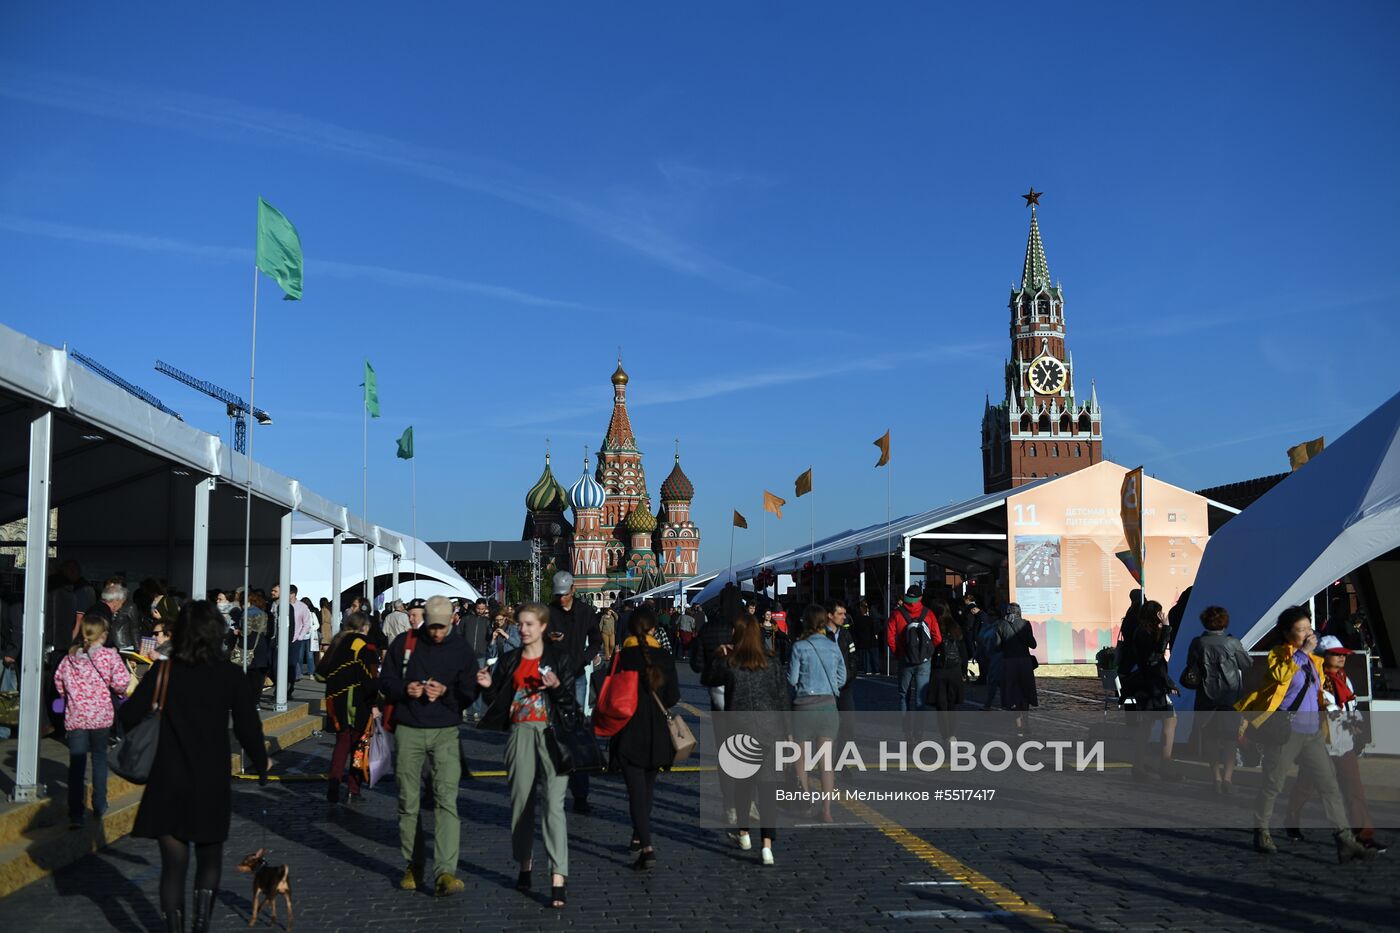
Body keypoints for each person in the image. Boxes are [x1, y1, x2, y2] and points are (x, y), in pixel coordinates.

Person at [119, 601, 268, 932]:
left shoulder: (163, 671)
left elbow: (128, 716)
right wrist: (260, 766)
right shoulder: (229, 675)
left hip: (166, 780)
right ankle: (200, 926)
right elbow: (247, 727)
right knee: (209, 860)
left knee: (173, 866)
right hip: (209, 782)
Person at [1236, 605, 1373, 861]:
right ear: (1288, 634)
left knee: (1329, 786)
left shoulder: (1315, 661)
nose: (1307, 634)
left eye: (1309, 628)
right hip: (1286, 730)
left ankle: (1344, 838)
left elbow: (1318, 693)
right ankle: (1262, 830)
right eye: (1301, 630)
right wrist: (1302, 653)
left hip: (1313, 733)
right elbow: (1280, 675)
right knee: (1273, 783)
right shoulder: (1280, 655)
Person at [477, 602, 579, 909]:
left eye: (529, 624)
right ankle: (524, 863)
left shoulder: (559, 660)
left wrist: (558, 688)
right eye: (520, 624)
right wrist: (487, 687)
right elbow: (497, 698)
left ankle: (558, 877)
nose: (522, 629)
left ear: (543, 627)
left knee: (554, 806)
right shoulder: (509, 660)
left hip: (551, 735)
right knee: (521, 803)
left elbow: (571, 707)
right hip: (520, 734)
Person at [378, 595, 480, 895]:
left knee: (446, 800)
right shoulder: (405, 644)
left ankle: (446, 871)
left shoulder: (460, 649)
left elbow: (470, 691)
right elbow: (385, 681)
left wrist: (446, 693)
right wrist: (405, 688)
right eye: (432, 627)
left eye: (442, 627)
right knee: (408, 801)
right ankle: (414, 865)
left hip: (446, 730)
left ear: (451, 621)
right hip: (409, 729)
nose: (436, 633)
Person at [1283, 635, 1387, 852]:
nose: (1341, 659)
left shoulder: (1343, 678)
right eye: (1336, 655)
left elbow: (1350, 705)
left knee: (1354, 788)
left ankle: (1363, 835)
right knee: (1306, 786)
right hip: (1318, 742)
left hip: (1343, 742)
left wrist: (1355, 723)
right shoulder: (1314, 679)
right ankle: (1291, 820)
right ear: (1323, 656)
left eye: (1343, 655)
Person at [608, 605, 680, 869]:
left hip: (628, 728)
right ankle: (639, 835)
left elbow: (608, 692)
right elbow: (673, 697)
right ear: (653, 629)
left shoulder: (622, 656)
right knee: (647, 788)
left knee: (636, 790)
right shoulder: (664, 657)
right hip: (658, 730)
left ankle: (646, 846)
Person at [722, 613, 790, 865]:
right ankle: (767, 847)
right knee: (767, 789)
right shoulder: (772, 663)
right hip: (770, 732)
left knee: (743, 786)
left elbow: (728, 700)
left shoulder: (732, 665)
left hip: (741, 732)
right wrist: (788, 731)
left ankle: (743, 833)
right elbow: (783, 699)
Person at [54, 614, 130, 829]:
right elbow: (121, 683)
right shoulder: (109, 656)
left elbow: (59, 681)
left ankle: (76, 813)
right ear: (103, 634)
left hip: (76, 716)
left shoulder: (70, 657)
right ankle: (99, 804)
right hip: (101, 717)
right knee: (98, 759)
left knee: (76, 764)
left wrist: (65, 698)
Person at [547, 572, 602, 813]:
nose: (561, 599)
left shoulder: (585, 611)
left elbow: (596, 639)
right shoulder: (548, 612)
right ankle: (554, 788)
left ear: (573, 590)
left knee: (576, 732)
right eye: (558, 595)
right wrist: (549, 640)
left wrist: (586, 658)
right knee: (556, 731)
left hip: (577, 675)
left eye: (565, 595)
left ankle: (581, 796)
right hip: (555, 678)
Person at [788, 605, 846, 822]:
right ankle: (827, 810)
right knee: (826, 762)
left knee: (801, 760)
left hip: (804, 706)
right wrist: (832, 688)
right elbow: (842, 675)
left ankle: (805, 800)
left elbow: (792, 680)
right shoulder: (833, 646)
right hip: (828, 706)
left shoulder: (799, 647)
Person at [1184, 605, 1251, 793]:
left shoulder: (1198, 643)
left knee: (1210, 739)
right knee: (1230, 738)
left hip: (1206, 696)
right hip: (1229, 695)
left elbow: (1191, 665)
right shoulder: (1232, 643)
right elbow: (1246, 664)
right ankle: (1228, 778)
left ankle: (1216, 777)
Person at [323, 612, 380, 804]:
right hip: (358, 700)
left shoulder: (337, 642)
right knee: (359, 746)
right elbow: (371, 678)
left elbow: (319, 675)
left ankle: (333, 783)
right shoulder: (367, 645)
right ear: (365, 626)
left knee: (341, 743)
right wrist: (375, 703)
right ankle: (353, 789)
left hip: (336, 701)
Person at [1122, 601, 1180, 780]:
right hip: (1152, 686)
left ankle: (1141, 766)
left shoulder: (1142, 631)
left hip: (1151, 684)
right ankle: (1163, 765)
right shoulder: (1145, 633)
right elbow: (1156, 656)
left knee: (1150, 725)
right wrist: (1167, 628)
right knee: (1164, 723)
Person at [886, 586, 940, 738]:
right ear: (920, 598)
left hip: (905, 659)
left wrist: (898, 652)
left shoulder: (897, 613)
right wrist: (928, 653)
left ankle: (907, 731)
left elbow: (889, 637)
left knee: (904, 695)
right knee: (920, 697)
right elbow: (938, 638)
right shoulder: (928, 614)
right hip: (923, 661)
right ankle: (919, 732)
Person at [924, 600, 965, 742]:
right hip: (954, 670)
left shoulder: (933, 627)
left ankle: (944, 735)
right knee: (952, 704)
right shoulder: (955, 627)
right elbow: (963, 650)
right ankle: (952, 735)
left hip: (939, 670)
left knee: (941, 706)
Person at [995, 603, 1038, 735]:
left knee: (1013, 694)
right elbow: (1033, 644)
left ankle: (1018, 726)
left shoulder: (1000, 624)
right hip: (1024, 662)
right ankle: (1027, 724)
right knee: (1025, 691)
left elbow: (997, 646)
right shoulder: (1025, 624)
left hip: (1009, 662)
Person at [852, 599, 877, 675]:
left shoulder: (858, 619)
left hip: (862, 639)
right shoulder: (870, 618)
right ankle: (875, 669)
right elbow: (874, 628)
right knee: (872, 654)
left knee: (865, 655)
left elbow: (855, 629)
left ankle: (867, 669)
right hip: (871, 638)